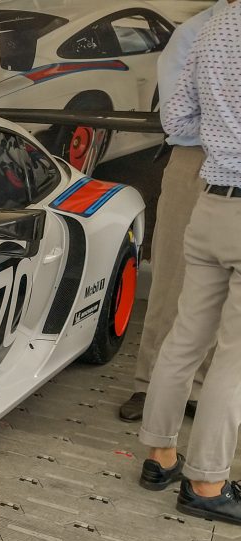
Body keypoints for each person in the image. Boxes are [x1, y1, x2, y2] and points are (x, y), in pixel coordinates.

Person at [138, 0, 241, 524]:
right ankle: (207, 482)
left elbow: (176, 116)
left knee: (185, 336)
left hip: (212, 198)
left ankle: (159, 459)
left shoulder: (213, 25)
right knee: (235, 355)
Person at [118, 0, 228, 422]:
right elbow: (175, 120)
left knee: (226, 288)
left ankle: (198, 388)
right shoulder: (199, 31)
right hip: (196, 160)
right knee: (172, 277)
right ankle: (150, 385)